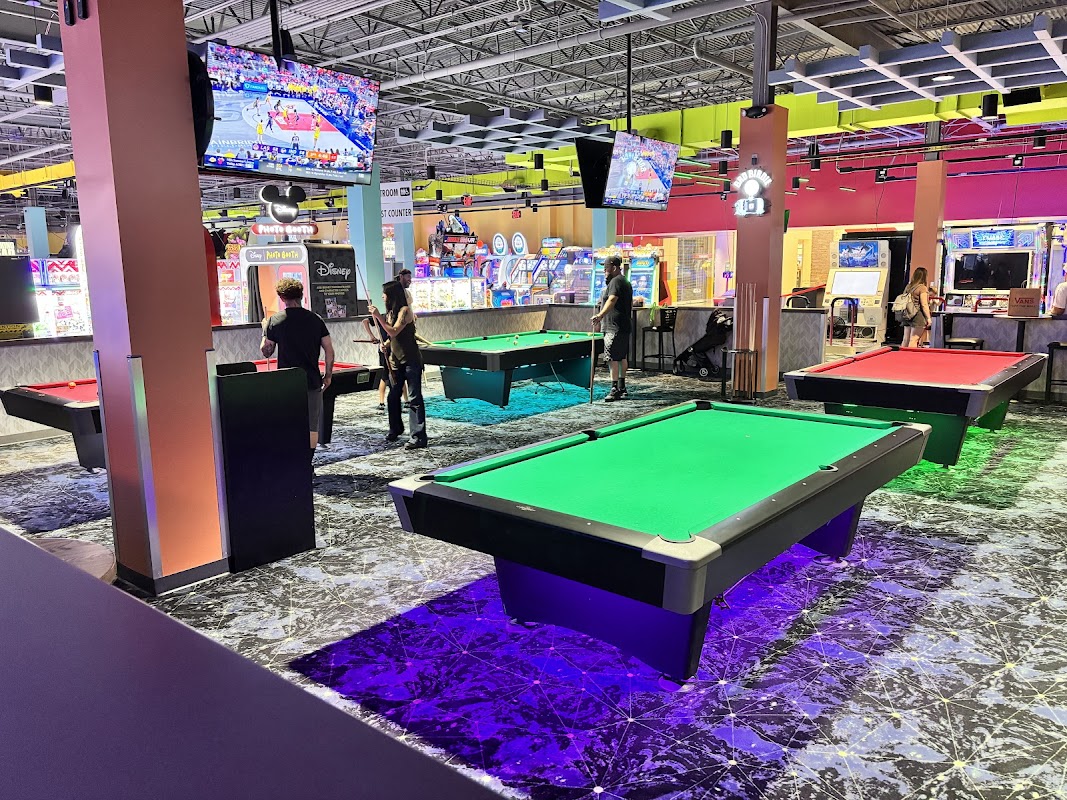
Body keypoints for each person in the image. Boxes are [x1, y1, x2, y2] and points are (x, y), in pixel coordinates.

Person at [260, 278, 334, 474]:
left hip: (286, 383)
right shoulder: (316, 319)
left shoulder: (275, 321)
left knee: (289, 423)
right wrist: (328, 375)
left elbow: (266, 351)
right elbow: (329, 350)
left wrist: (264, 331)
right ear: (301, 295)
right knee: (311, 426)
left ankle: (292, 463)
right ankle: (307, 463)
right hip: (311, 380)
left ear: (281, 297)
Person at [369, 281, 427, 450]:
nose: (382, 296)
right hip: (395, 362)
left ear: (392, 295)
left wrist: (378, 317)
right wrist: (386, 344)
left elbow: (393, 331)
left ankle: (418, 437)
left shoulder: (405, 311)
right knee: (393, 396)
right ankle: (396, 429)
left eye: (384, 293)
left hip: (411, 361)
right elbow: (393, 336)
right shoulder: (391, 313)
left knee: (414, 398)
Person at [591, 255, 633, 402]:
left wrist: (600, 315)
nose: (604, 271)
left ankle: (614, 388)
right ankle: (622, 387)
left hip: (613, 327)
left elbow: (612, 299)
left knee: (612, 358)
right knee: (622, 357)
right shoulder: (624, 281)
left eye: (606, 268)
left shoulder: (615, 281)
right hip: (623, 326)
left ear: (614, 268)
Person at [361, 314, 407, 413]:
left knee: (399, 374)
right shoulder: (381, 316)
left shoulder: (396, 317)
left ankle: (406, 401)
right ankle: (381, 403)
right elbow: (365, 321)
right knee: (385, 375)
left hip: (395, 349)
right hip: (384, 350)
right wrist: (372, 336)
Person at [901, 267, 933, 348]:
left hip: (907, 314)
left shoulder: (908, 286)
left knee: (906, 339)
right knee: (914, 339)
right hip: (918, 316)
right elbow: (924, 304)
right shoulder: (922, 288)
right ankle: (910, 356)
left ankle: (902, 355)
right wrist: (928, 318)